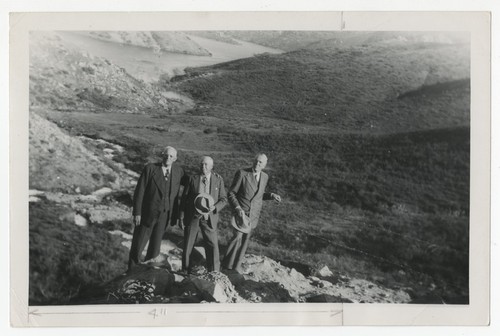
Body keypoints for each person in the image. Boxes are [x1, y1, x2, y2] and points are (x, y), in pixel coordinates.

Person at [128, 146, 185, 271]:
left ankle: (149, 272)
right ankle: (131, 271)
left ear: (175, 159)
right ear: (162, 155)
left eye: (171, 156)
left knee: (155, 246)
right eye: (166, 155)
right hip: (147, 213)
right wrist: (137, 212)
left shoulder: (178, 172)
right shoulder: (150, 169)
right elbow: (140, 191)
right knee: (138, 244)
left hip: (165, 215)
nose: (168, 158)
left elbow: (191, 184)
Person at [222, 153, 281, 273]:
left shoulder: (265, 177)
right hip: (241, 214)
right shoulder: (242, 173)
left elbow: (258, 196)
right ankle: (225, 266)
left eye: (260, 162)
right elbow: (231, 193)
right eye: (256, 161)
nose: (257, 163)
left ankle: (235, 268)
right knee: (237, 238)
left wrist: (271, 195)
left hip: (253, 216)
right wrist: (237, 208)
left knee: (245, 242)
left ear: (264, 165)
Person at [180, 156, 227, 273]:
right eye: (202, 164)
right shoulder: (193, 179)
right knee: (188, 244)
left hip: (209, 218)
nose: (203, 167)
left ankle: (214, 271)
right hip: (193, 216)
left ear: (211, 167)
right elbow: (184, 198)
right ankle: (186, 270)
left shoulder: (218, 180)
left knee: (212, 244)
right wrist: (181, 216)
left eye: (206, 165)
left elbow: (223, 199)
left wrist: (215, 207)